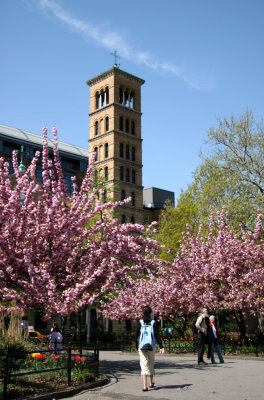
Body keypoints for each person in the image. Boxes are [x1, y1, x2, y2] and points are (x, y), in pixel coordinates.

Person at [135, 306, 165, 392]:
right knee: (151, 363)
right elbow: (157, 335)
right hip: (151, 346)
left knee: (144, 364)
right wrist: (161, 347)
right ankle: (151, 383)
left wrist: (137, 346)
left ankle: (145, 386)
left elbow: (136, 336)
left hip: (142, 347)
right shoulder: (153, 323)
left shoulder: (140, 322)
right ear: (151, 313)